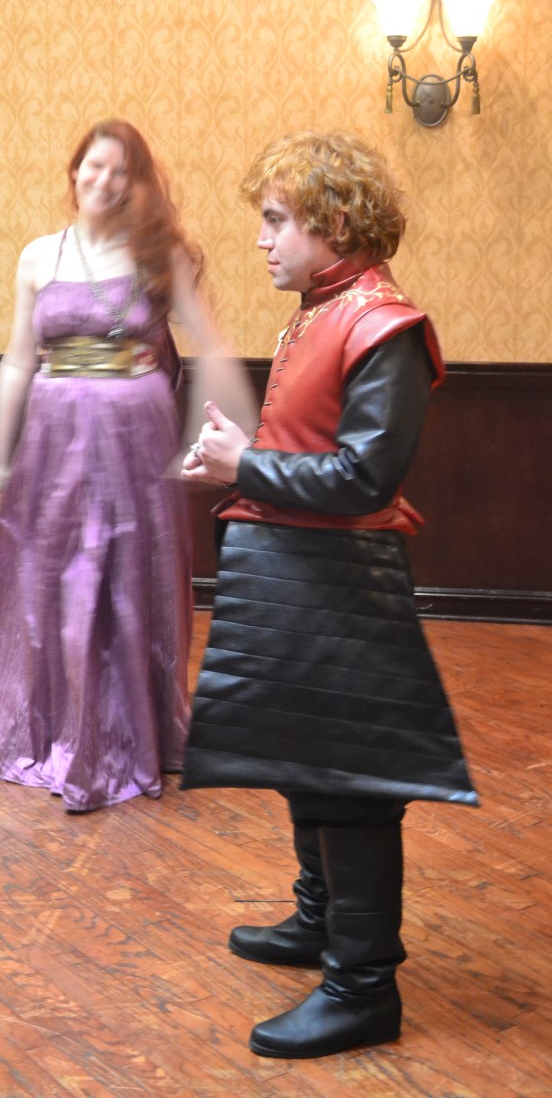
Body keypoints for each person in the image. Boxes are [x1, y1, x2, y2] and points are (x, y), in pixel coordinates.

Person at [180, 131, 478, 1059]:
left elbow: (364, 480)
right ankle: (319, 921)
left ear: (335, 221)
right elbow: (313, 451)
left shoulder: (384, 323)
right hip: (296, 577)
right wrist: (237, 461)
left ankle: (362, 988)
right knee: (305, 761)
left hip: (343, 586)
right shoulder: (321, 309)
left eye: (277, 220)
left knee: (350, 784)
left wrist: (244, 464)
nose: (261, 238)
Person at [0, 119, 233, 813]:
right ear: (74, 171)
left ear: (136, 183)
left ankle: (127, 731)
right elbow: (17, 359)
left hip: (137, 436)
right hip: (52, 440)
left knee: (130, 577)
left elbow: (211, 345)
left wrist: (218, 439)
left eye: (120, 170)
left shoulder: (158, 255)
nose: (104, 180)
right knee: (50, 577)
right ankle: (51, 725)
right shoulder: (38, 256)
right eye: (94, 165)